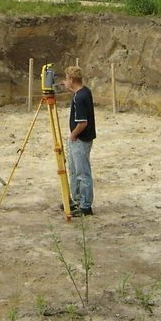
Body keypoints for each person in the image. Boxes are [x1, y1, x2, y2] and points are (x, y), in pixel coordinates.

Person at [63, 65, 95, 216]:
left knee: (82, 173)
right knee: (75, 171)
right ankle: (77, 201)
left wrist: (73, 135)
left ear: (71, 79)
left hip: (80, 140)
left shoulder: (79, 98)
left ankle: (85, 206)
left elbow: (82, 122)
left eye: (67, 79)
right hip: (84, 139)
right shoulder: (85, 91)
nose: (65, 82)